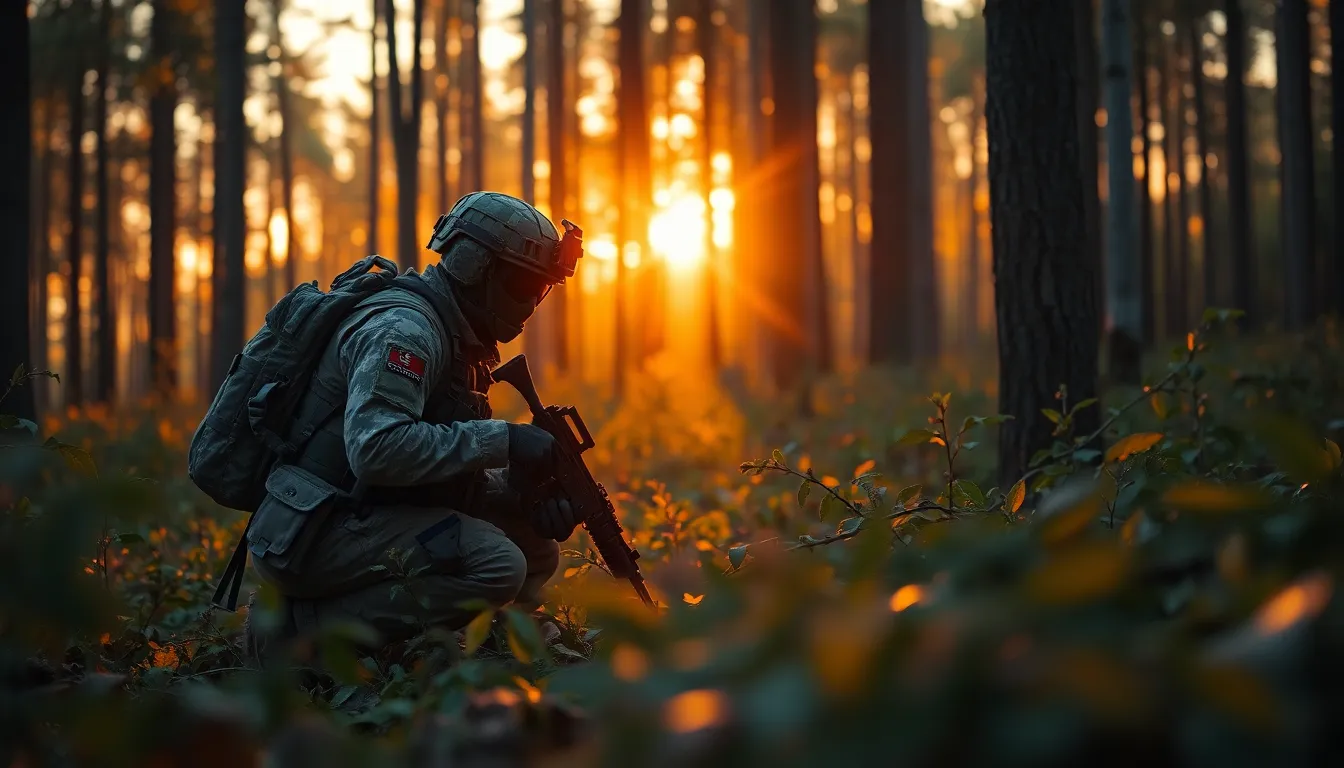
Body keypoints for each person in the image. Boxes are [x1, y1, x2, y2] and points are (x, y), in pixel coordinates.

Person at [243, 192, 583, 662]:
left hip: (365, 510)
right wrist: (504, 439)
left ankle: (483, 642)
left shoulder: (457, 335)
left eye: (541, 290)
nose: (531, 304)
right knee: (498, 564)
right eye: (524, 284)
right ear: (474, 266)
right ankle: (296, 632)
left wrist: (518, 490)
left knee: (534, 544)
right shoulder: (406, 332)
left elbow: (427, 461)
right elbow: (376, 450)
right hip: (315, 534)